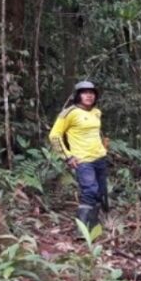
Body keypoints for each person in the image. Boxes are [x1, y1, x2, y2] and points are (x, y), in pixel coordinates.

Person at [49, 80, 109, 229]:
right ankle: (81, 230)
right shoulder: (69, 113)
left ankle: (94, 227)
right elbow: (54, 135)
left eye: (92, 93)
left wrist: (103, 147)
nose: (89, 96)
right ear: (78, 95)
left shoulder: (96, 112)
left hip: (100, 158)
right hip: (83, 160)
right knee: (89, 191)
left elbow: (95, 132)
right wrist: (67, 157)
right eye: (85, 93)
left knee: (101, 192)